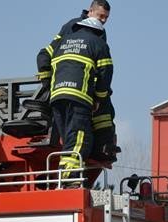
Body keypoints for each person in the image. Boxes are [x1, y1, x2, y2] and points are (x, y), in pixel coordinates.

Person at [37, 1, 112, 183]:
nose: (103, 21)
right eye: (100, 16)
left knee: (70, 138)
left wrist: (49, 84)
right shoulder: (90, 36)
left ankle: (100, 149)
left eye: (106, 18)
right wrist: (100, 98)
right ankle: (70, 178)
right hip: (81, 95)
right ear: (90, 11)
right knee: (79, 138)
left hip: (59, 96)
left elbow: (43, 55)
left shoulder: (65, 40)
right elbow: (105, 73)